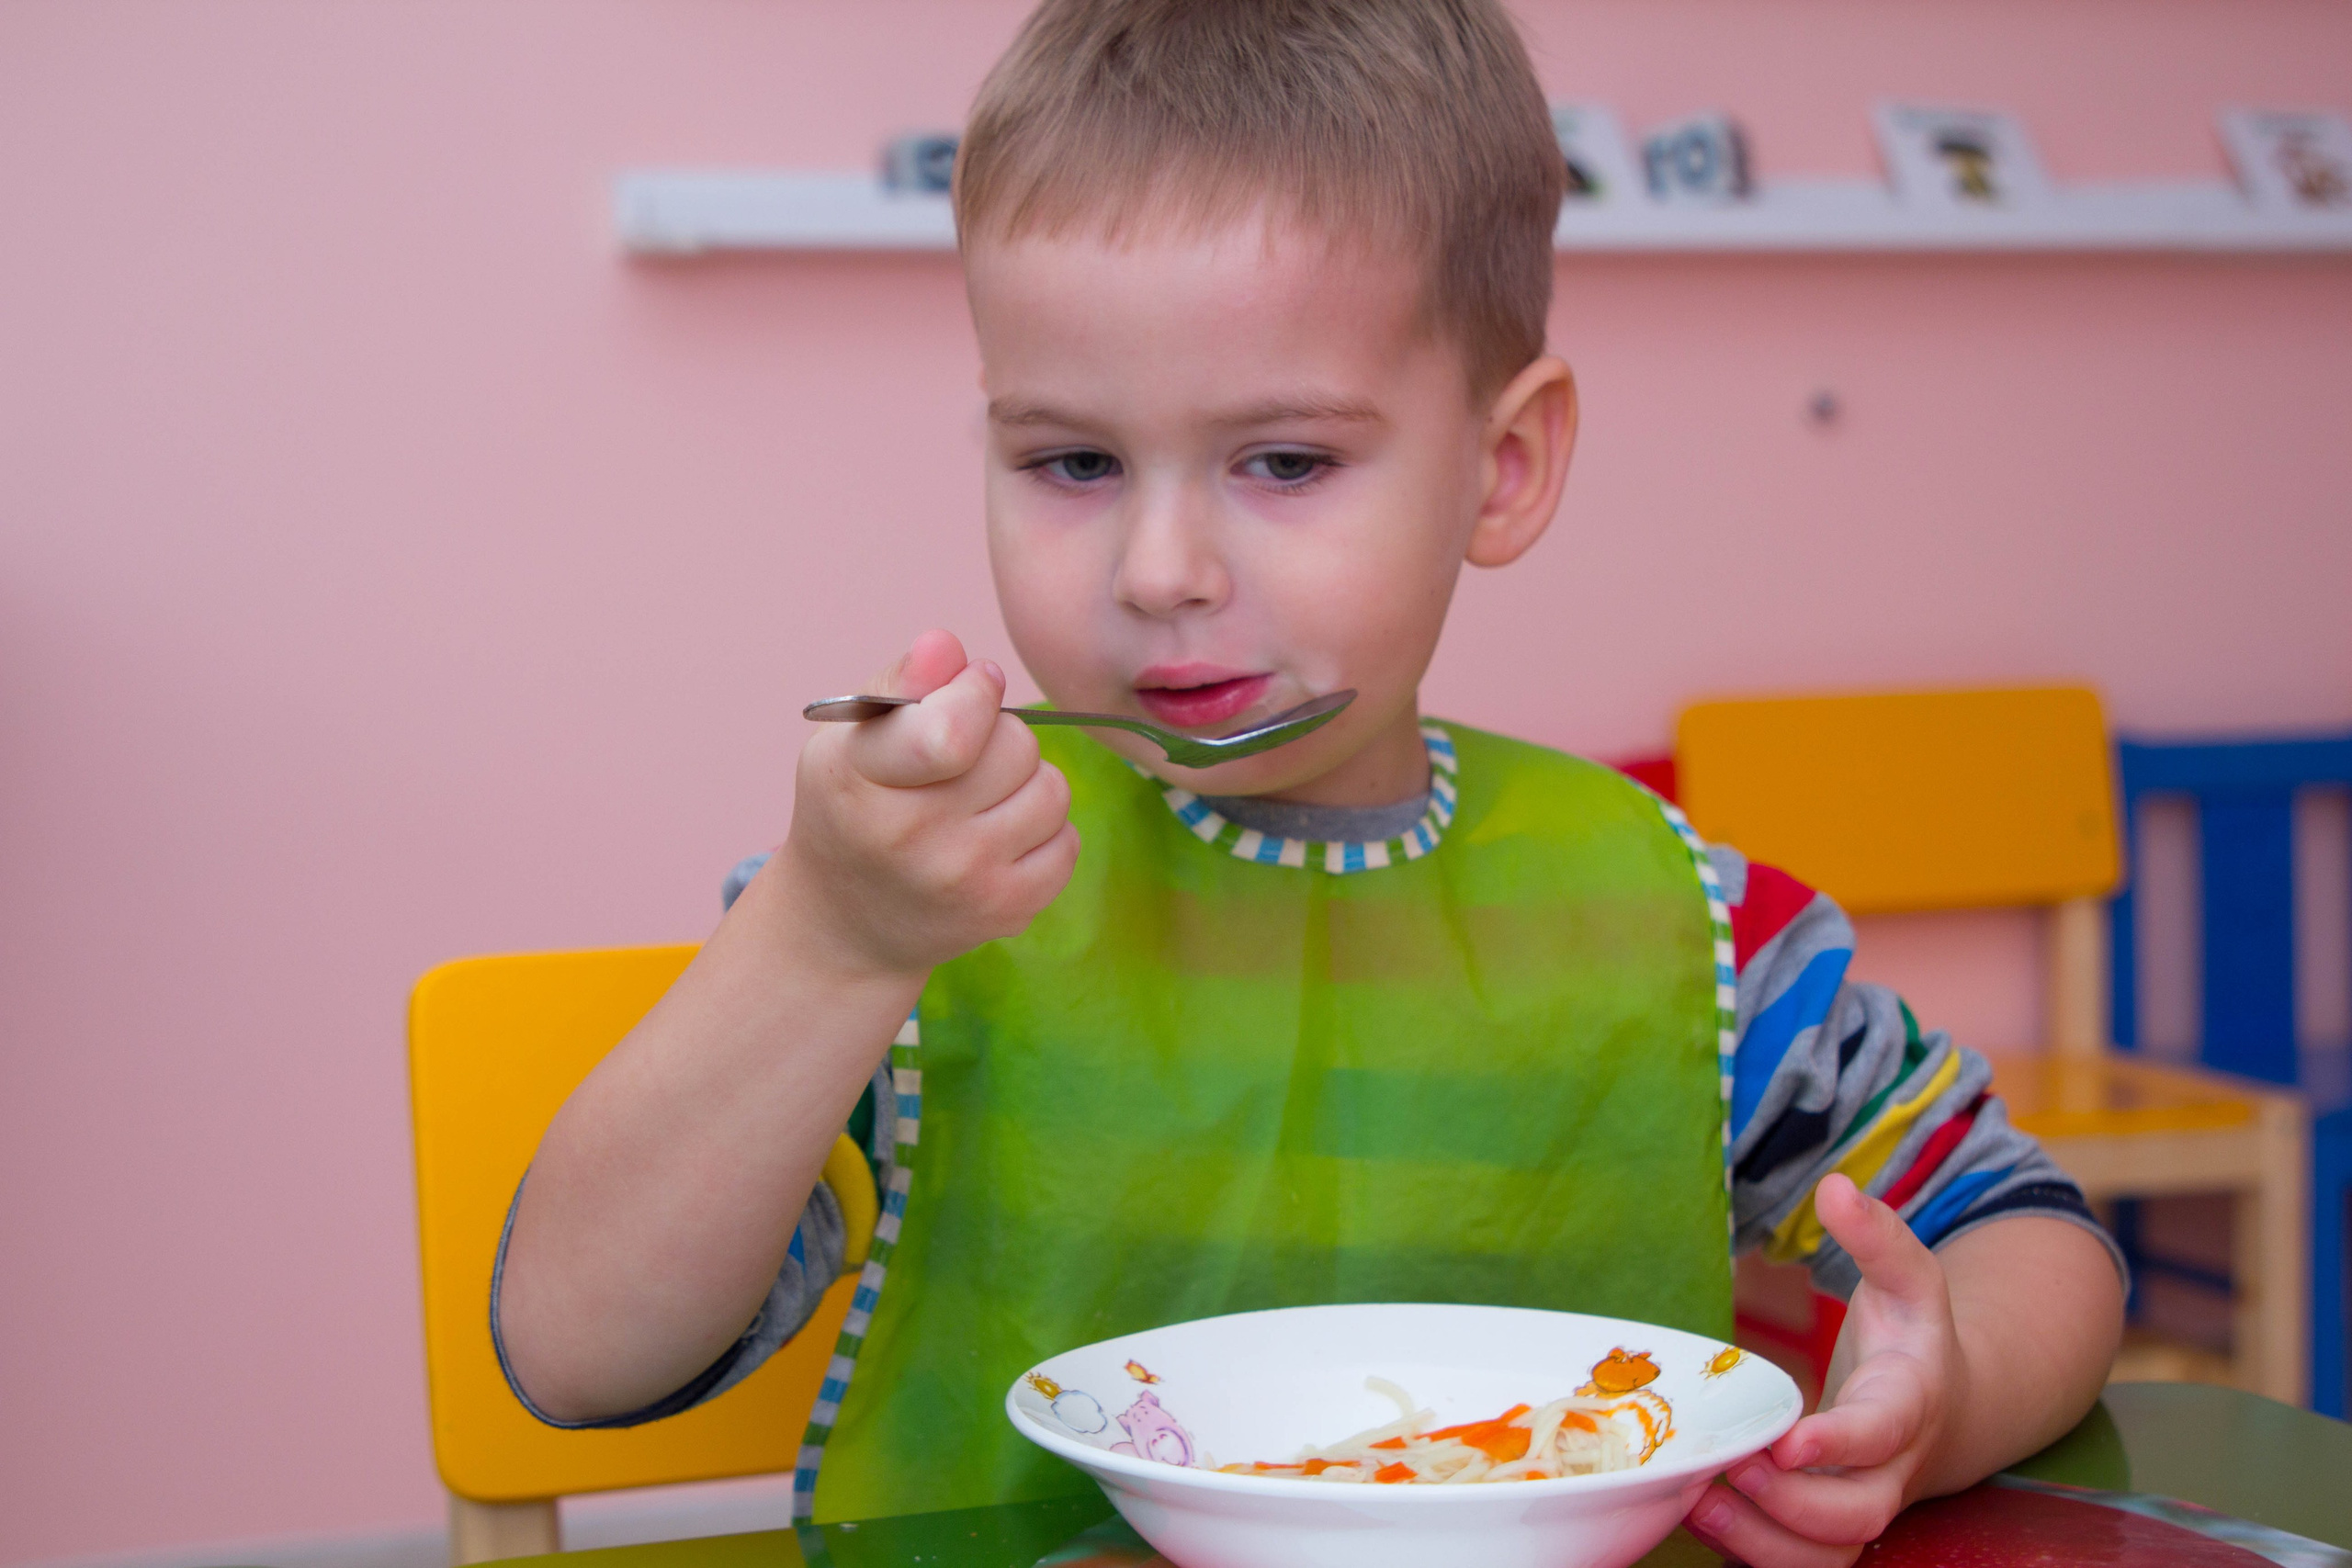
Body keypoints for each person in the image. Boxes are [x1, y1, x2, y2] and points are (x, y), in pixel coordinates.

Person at [493, 3, 2125, 1562]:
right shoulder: (909, 901)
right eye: (1073, 461)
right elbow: (579, 1357)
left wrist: (1942, 1398)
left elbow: (2025, 1223)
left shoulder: (1682, 925)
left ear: (1503, 466)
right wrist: (828, 942)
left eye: (1283, 462)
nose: (1160, 567)